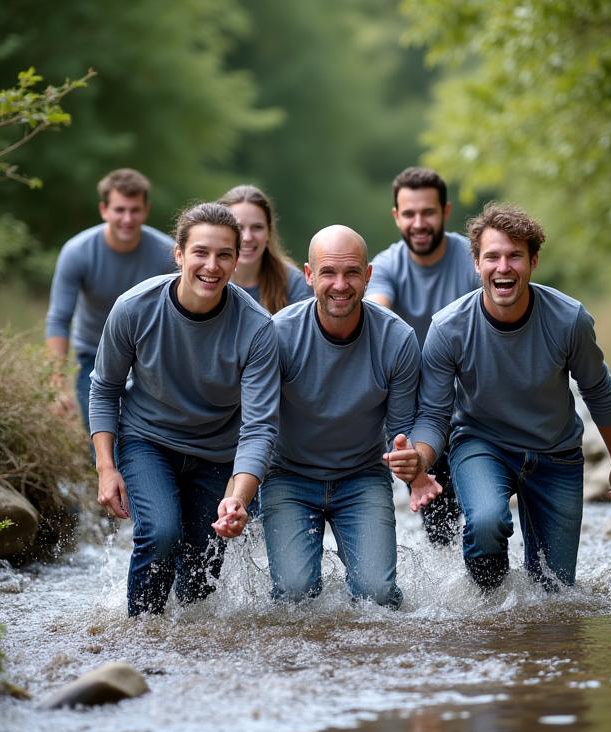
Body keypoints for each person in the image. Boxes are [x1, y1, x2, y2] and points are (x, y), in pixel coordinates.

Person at [411, 202, 611, 591]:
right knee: (485, 524)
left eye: (515, 256)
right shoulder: (448, 329)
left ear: (533, 262)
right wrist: (421, 461)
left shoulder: (569, 320)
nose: (503, 267)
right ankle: (489, 605)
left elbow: (598, 390)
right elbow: (433, 413)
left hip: (556, 456)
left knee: (555, 591)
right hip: (482, 446)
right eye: (492, 257)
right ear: (476, 264)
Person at [89, 202, 280, 616]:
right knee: (160, 534)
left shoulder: (257, 327)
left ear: (236, 260)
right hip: (148, 442)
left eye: (224, 255)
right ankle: (141, 640)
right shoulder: (134, 308)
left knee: (198, 581)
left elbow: (260, 426)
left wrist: (238, 498)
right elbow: (105, 389)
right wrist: (106, 466)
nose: (211, 266)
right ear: (179, 254)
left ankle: (187, 657)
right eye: (201, 252)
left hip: (217, 455)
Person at [260, 224, 441, 609]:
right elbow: (255, 423)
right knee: (293, 598)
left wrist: (416, 467)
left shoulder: (397, 338)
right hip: (289, 477)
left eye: (351, 273)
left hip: (361, 479)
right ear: (309, 276)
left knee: (377, 598)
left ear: (368, 275)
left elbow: (403, 430)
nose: (340, 285)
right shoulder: (278, 335)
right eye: (328, 272)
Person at [366, 167, 480, 545]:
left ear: (445, 212)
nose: (419, 223)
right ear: (396, 216)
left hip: (478, 412)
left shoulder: (475, 260)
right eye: (409, 214)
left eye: (427, 212)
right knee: (441, 532)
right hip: (421, 418)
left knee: (486, 520)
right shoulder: (385, 267)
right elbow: (376, 315)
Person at [46, 168, 176, 431]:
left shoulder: (168, 253)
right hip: (94, 355)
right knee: (104, 434)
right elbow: (59, 318)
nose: (127, 218)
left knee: (144, 436)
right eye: (119, 210)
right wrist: (55, 381)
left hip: (148, 359)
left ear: (145, 210)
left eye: (135, 210)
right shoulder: (78, 252)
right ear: (104, 209)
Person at [217, 184, 312, 313]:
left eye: (257, 227)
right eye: (238, 227)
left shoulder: (293, 283)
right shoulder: (208, 277)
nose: (247, 237)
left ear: (269, 231)